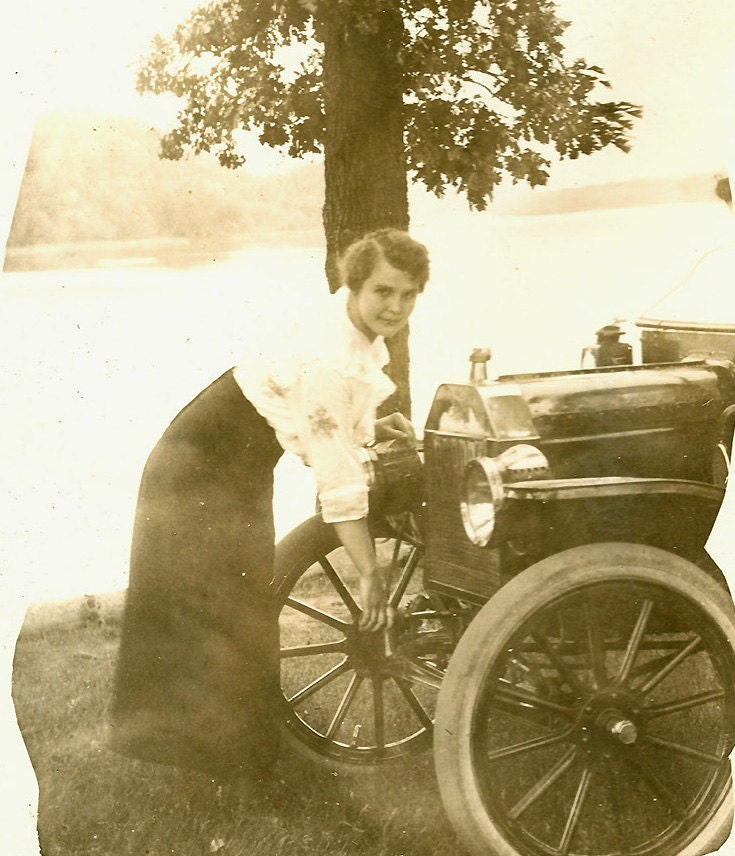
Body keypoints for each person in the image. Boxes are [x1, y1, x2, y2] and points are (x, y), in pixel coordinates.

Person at [107, 228, 430, 784]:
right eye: (383, 291)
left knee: (237, 613)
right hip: (199, 473)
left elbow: (320, 423)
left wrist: (370, 427)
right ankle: (238, 765)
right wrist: (370, 571)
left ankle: (237, 758)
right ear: (354, 286)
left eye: (408, 294)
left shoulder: (345, 331)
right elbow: (337, 481)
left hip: (224, 467)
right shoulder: (328, 361)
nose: (395, 306)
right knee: (223, 617)